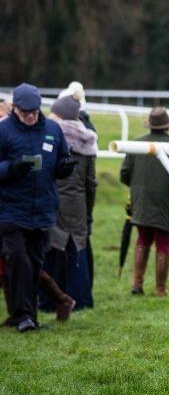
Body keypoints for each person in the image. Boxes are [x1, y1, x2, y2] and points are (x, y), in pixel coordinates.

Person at [0, 83, 76, 332]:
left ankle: (28, 315)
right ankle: (22, 315)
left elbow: (61, 160)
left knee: (33, 263)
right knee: (17, 260)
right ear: (15, 109)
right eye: (25, 112)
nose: (30, 116)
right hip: (11, 209)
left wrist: (66, 166)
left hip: (43, 209)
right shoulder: (3, 131)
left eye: (34, 111)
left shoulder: (53, 129)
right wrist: (11, 168)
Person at [41, 94, 98, 310]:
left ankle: (47, 301)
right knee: (78, 250)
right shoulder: (88, 140)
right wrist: (88, 210)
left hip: (52, 200)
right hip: (78, 204)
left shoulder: (50, 135)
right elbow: (91, 183)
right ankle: (82, 300)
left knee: (51, 251)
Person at [120, 107, 169, 296]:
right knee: (163, 243)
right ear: (167, 126)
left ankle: (137, 283)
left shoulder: (136, 144)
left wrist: (137, 188)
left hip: (141, 202)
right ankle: (160, 288)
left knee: (142, 240)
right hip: (165, 202)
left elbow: (124, 173)